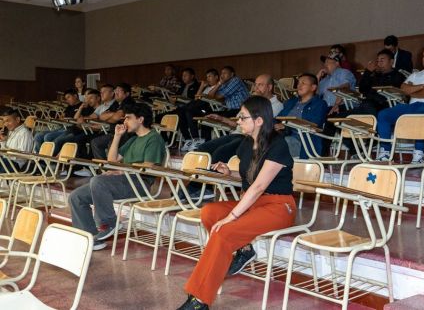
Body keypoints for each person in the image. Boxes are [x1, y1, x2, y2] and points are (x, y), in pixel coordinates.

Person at [177, 96, 296, 310]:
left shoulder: (278, 145)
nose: (238, 120)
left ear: (259, 120)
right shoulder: (246, 143)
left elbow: (259, 186)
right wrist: (228, 172)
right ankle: (245, 249)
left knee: (223, 231)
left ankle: (199, 300)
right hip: (255, 204)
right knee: (209, 212)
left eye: (243, 117)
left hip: (279, 206)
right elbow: (249, 177)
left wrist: (231, 217)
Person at [69, 102, 166, 251]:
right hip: (125, 181)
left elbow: (148, 167)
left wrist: (123, 171)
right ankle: (91, 239)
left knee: (98, 181)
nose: (124, 121)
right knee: (76, 196)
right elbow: (112, 162)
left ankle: (108, 223)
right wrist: (117, 136)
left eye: (128, 118)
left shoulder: (154, 138)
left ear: (140, 119)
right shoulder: (133, 140)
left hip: (140, 184)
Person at [376, 44, 424, 163]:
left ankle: (419, 154)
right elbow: (404, 88)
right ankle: (385, 152)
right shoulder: (416, 74)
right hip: (411, 106)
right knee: (383, 114)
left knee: (420, 114)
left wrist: (412, 91)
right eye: (423, 56)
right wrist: (421, 86)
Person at [276, 73, 328, 158]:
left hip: (303, 141)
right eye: (298, 83)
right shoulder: (291, 102)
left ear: (313, 87)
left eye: (303, 83)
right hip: (283, 136)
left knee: (280, 143)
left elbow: (314, 124)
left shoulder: (319, 104)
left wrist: (287, 127)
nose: (299, 86)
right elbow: (278, 118)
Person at [90, 83, 136, 160]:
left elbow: (117, 117)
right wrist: (114, 116)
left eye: (119, 91)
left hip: (125, 133)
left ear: (127, 93)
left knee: (111, 145)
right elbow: (102, 116)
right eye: (115, 90)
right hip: (113, 132)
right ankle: (103, 168)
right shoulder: (116, 103)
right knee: (95, 142)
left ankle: (111, 168)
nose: (116, 92)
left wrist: (111, 117)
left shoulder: (128, 101)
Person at [358, 48, 407, 114]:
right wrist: (368, 72)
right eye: (378, 61)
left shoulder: (398, 76)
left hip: (384, 106)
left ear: (391, 62)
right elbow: (362, 89)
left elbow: (391, 94)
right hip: (367, 105)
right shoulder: (375, 75)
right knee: (342, 115)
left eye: (382, 61)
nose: (379, 64)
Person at [0, 108, 33, 173]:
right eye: (4, 122)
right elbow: (4, 151)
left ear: (17, 120)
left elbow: (24, 154)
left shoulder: (24, 133)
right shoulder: (11, 131)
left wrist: (8, 152)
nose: (5, 124)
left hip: (16, 164)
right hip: (6, 160)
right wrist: (3, 141)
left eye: (8, 121)